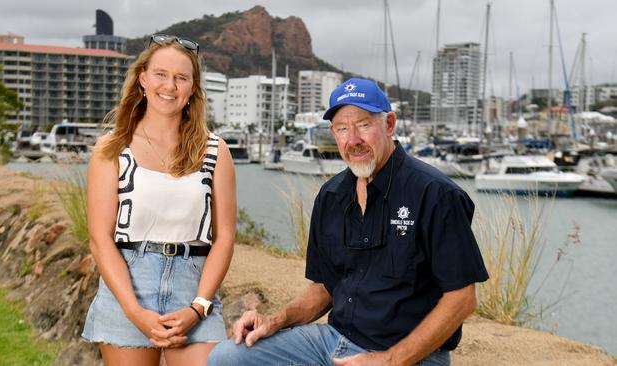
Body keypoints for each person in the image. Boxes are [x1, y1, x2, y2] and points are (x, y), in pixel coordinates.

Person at [208, 78, 488, 366]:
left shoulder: (436, 194)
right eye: (342, 129)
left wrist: (389, 360)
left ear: (389, 124)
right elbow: (325, 288)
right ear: (333, 133)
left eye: (364, 125)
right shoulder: (331, 196)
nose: (353, 140)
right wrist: (275, 321)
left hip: (409, 356)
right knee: (226, 358)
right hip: (333, 341)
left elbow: (462, 298)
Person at [81, 34, 236, 366]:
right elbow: (100, 239)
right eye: (161, 74)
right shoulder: (111, 149)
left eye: (181, 78)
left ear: (193, 88)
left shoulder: (215, 151)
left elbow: (224, 239)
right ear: (143, 79)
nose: (170, 85)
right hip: (129, 286)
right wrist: (135, 312)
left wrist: (199, 307)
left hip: (195, 288)